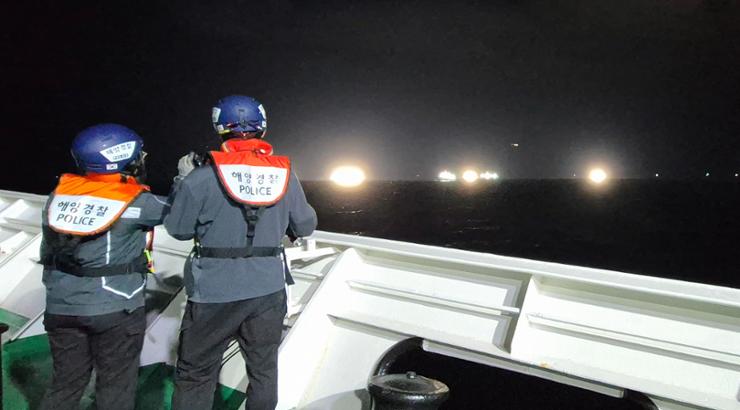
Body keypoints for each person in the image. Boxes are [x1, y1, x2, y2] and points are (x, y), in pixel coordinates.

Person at [165, 95, 317, 410]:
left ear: (220, 129)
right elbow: (304, 226)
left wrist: (182, 179)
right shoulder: (285, 175)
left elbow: (178, 229)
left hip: (213, 292)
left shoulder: (201, 178)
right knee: (263, 370)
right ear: (262, 128)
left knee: (195, 373)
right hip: (267, 289)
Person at [39, 124, 168, 410]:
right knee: (115, 387)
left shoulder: (58, 196)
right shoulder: (140, 202)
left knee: (65, 385)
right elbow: (183, 215)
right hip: (115, 310)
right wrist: (187, 179)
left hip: (62, 308)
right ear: (123, 160)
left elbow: (49, 250)